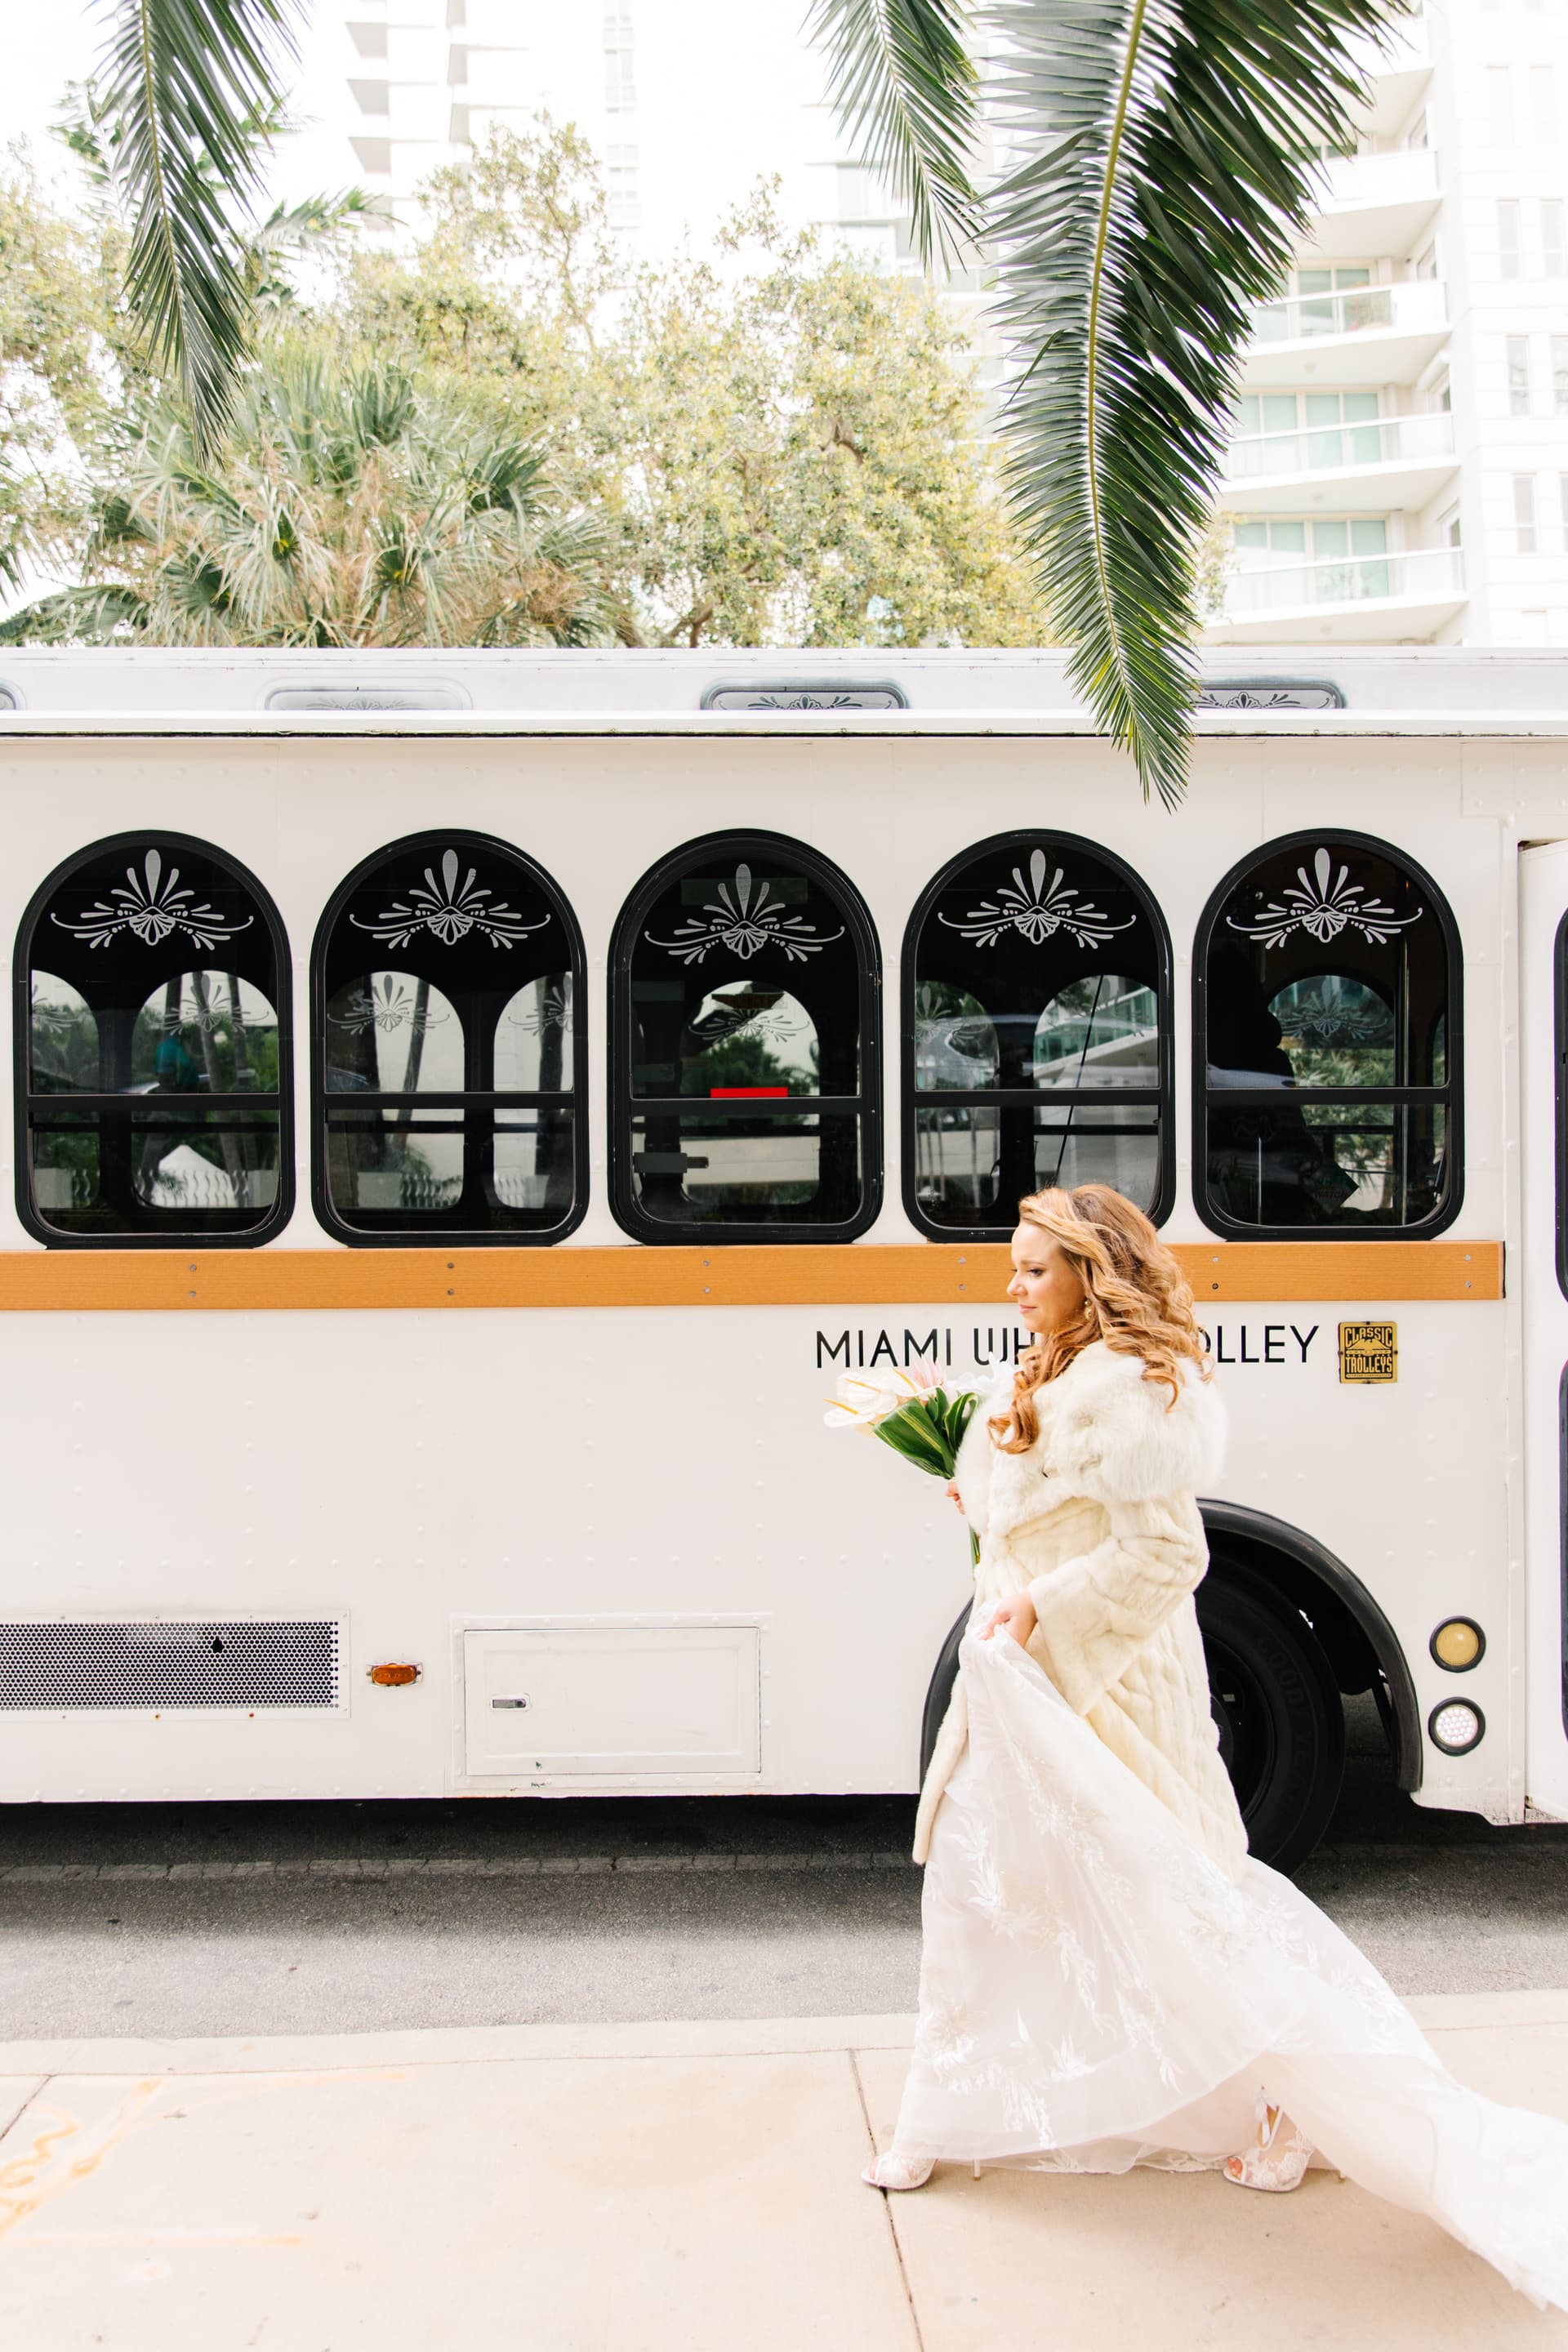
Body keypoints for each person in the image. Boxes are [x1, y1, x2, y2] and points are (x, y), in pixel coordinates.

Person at [866, 1183, 1568, 2312]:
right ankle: (935, 2115)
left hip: (1111, 1696)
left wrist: (1040, 1605)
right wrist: (982, 1507)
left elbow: (1166, 1559)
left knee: (1191, 1910)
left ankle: (1295, 2099)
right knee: (978, 1893)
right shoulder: (1034, 1376)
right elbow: (1034, 1518)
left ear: (1091, 1278)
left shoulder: (1132, 1399)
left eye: (1032, 1270)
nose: (1011, 1287)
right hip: (1023, 1697)